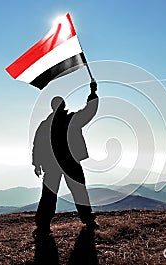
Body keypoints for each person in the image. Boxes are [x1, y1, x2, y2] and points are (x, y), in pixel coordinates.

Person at [32, 80, 99, 237]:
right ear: (63, 105)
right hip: (70, 161)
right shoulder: (71, 119)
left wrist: (37, 163)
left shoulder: (45, 124)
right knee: (78, 191)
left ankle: (43, 225)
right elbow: (89, 111)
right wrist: (93, 93)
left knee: (49, 195)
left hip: (52, 165)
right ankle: (88, 219)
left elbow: (38, 145)